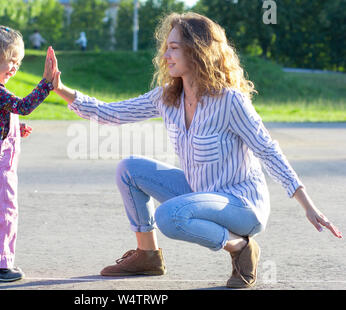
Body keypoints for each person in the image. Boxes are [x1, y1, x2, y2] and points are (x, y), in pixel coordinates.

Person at [47, 12, 342, 288]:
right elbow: (112, 113)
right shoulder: (168, 97)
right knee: (129, 169)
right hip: (199, 191)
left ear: (197, 50)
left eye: (174, 48)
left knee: (169, 216)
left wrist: (307, 204)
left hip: (241, 204)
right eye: (167, 47)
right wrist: (60, 88)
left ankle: (240, 247)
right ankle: (148, 256)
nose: (166, 55)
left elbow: (268, 150)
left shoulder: (230, 101)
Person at [0, 23, 55, 282]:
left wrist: (17, 127)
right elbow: (23, 105)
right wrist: (46, 84)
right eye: (11, 60)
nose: (15, 67)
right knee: (4, 213)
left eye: (19, 62)